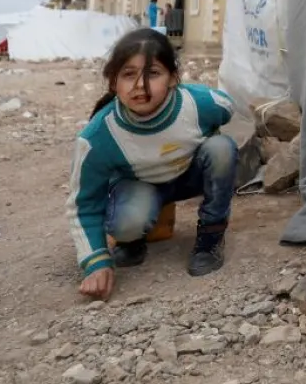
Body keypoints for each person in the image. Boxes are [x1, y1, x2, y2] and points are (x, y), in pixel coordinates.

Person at [67, 28, 238, 302]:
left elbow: (227, 107)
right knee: (127, 222)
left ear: (173, 79)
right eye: (128, 74)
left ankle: (210, 238)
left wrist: (206, 134)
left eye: (154, 73)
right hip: (140, 185)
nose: (139, 85)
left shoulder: (197, 104)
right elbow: (83, 203)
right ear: (113, 82)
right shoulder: (99, 137)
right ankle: (132, 240)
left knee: (221, 149)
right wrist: (96, 262)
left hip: (188, 175)